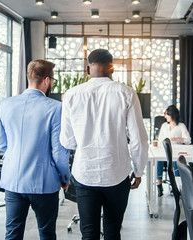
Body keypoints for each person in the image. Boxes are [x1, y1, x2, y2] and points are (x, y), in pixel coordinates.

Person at [60, 49, 148, 240]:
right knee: (113, 230)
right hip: (116, 173)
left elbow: (67, 141)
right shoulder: (126, 93)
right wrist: (138, 171)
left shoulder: (71, 95)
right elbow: (139, 139)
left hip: (85, 174)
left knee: (88, 232)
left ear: (87, 69)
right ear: (112, 69)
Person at [0, 59, 70, 240]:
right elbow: (58, 152)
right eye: (53, 80)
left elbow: (2, 144)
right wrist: (65, 176)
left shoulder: (5, 104)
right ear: (46, 80)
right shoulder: (56, 108)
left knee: (12, 233)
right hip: (43, 182)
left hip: (13, 180)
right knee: (46, 233)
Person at [156, 105, 191, 196]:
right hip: (164, 150)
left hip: (176, 150)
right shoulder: (164, 126)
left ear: (172, 115)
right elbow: (160, 141)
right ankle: (159, 184)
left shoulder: (181, 126)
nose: (165, 116)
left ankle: (176, 186)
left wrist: (177, 139)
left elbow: (188, 140)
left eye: (167, 114)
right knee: (158, 160)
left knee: (176, 161)